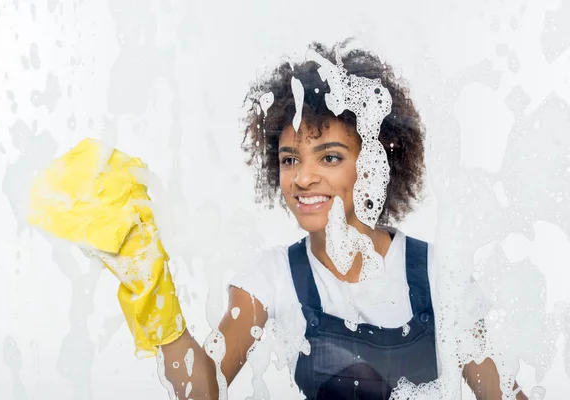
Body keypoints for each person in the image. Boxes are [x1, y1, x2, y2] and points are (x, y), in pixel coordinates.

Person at [28, 41, 528, 399]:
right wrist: (151, 291)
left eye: (329, 157)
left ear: (375, 162)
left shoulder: (438, 275)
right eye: (290, 159)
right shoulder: (269, 281)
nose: (304, 178)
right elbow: (203, 393)